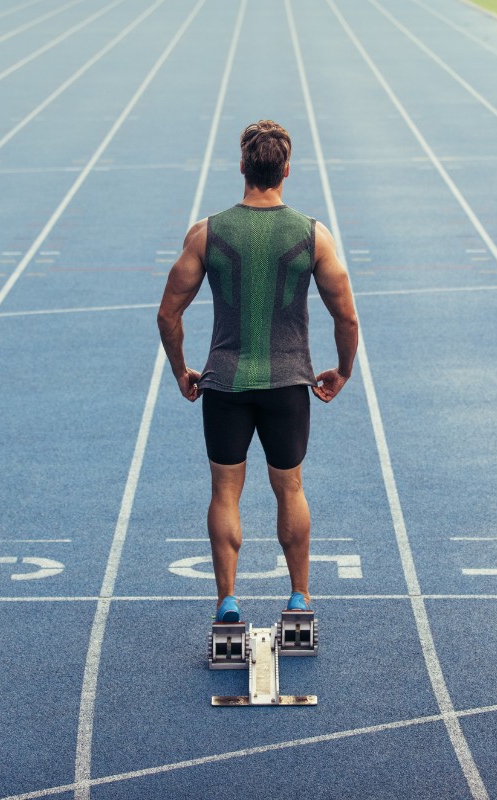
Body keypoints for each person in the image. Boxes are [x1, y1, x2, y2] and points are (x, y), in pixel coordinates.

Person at [157, 120, 359, 624]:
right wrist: (343, 371)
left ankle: (227, 601)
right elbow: (347, 316)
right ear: (286, 169)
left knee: (226, 491)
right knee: (289, 487)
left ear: (244, 166)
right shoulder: (314, 235)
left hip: (224, 383)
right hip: (289, 384)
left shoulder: (207, 233)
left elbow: (168, 314)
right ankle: (299, 598)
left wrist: (182, 369)